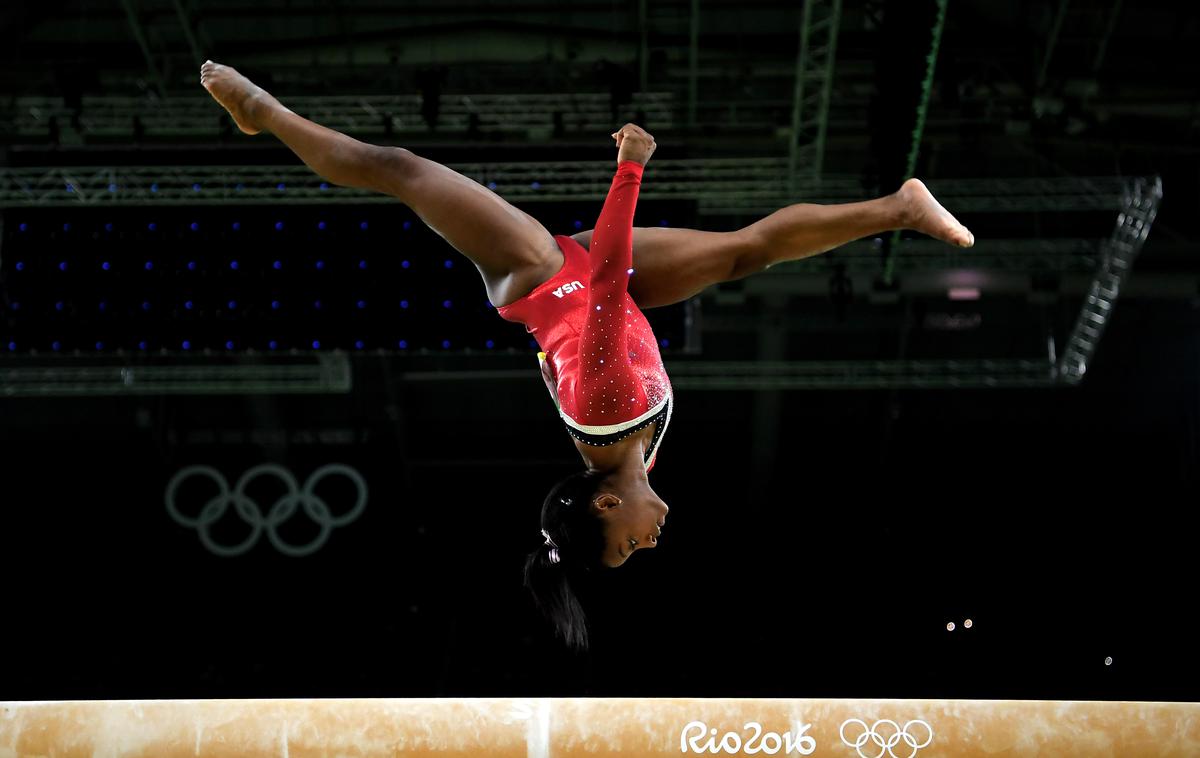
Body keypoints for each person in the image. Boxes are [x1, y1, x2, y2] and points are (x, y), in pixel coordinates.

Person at [199, 60, 973, 649]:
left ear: (607, 504)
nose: (648, 543)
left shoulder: (607, 418)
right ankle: (899, 206)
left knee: (400, 170)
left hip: (541, 275)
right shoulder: (638, 461)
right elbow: (607, 301)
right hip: (606, 293)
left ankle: (266, 113)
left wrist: (632, 164)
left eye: (627, 544)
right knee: (746, 253)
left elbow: (603, 279)